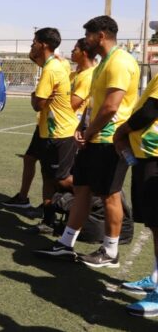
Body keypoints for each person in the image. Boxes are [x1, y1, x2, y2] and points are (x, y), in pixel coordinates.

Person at [35, 16, 139, 267]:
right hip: (94, 138)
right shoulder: (103, 64)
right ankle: (65, 244)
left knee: (109, 195)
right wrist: (84, 130)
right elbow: (94, 103)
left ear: (101, 35)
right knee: (81, 189)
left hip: (109, 139)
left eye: (89, 35)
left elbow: (111, 107)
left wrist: (90, 131)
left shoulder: (121, 61)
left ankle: (111, 251)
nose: (85, 41)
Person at [4, 39, 95, 211]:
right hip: (47, 125)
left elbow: (70, 104)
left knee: (59, 177)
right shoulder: (70, 72)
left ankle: (95, 197)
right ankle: (43, 210)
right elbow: (50, 92)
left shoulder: (89, 75)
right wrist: (42, 95)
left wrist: (41, 97)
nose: (72, 52)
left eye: (75, 49)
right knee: (39, 166)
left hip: (65, 127)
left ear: (84, 52)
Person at [13, 29, 77, 233]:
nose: (31, 46)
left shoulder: (52, 69)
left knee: (62, 178)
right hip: (49, 132)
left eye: (34, 42)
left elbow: (37, 104)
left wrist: (35, 96)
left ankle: (94, 201)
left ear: (43, 44)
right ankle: (48, 220)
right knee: (49, 177)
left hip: (60, 132)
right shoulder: (50, 65)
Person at [114, 71, 158, 316]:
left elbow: (151, 110)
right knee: (155, 224)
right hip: (148, 156)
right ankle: (155, 277)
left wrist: (122, 131)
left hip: (155, 157)